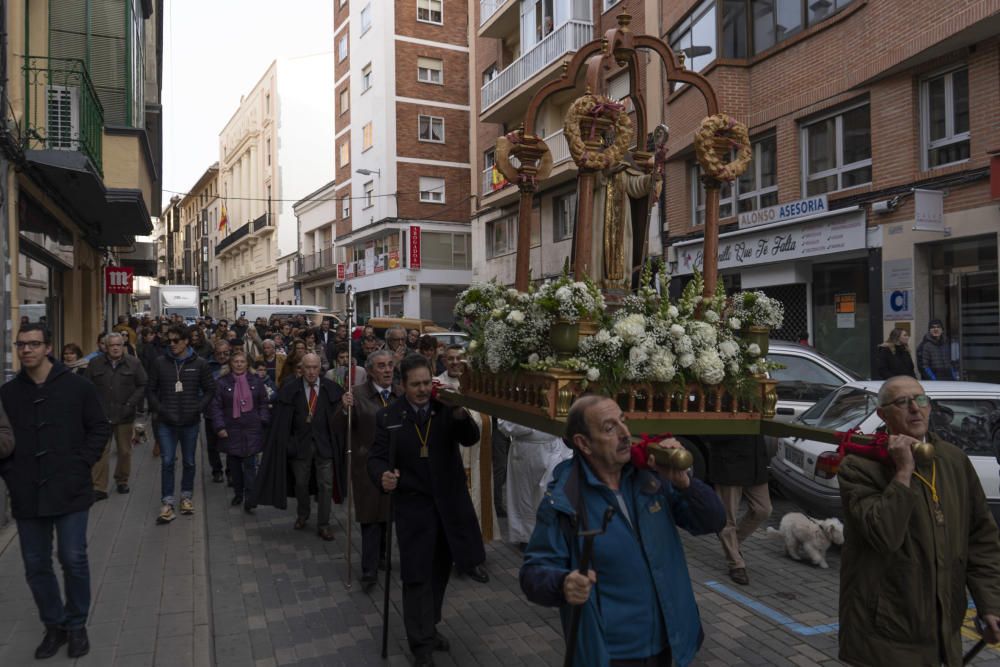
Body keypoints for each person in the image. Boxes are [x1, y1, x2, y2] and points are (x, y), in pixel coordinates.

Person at [520, 395, 726, 667]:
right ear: (584, 443)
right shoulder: (565, 500)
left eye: (623, 421)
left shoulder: (650, 479)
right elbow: (533, 573)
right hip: (614, 655)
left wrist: (684, 482)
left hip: (669, 642)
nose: (625, 433)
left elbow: (712, 520)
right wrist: (562, 583)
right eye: (609, 428)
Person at [838, 375, 1000, 665]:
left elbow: (981, 539)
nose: (915, 408)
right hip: (885, 637)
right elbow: (883, 535)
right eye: (902, 402)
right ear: (882, 415)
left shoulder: (953, 460)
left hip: (942, 633)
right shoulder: (858, 467)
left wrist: (990, 604)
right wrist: (903, 472)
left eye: (921, 399)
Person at [0, 324, 111, 659]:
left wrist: (82, 464)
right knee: (35, 564)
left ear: (48, 347)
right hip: (27, 492)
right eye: (21, 345)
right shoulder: (8, 393)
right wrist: (11, 474)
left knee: (73, 557)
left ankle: (77, 625)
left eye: (33, 344)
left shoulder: (77, 387)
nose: (26, 350)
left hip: (70, 488)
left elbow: (99, 427)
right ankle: (55, 625)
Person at [368, 354, 485, 666]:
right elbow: (376, 458)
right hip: (413, 510)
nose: (422, 389)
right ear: (402, 385)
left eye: (425, 383)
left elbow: (471, 438)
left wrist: (460, 413)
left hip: (449, 507)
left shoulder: (446, 407)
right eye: (415, 384)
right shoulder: (390, 416)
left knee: (439, 573)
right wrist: (383, 476)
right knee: (416, 577)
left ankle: (429, 626)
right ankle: (420, 645)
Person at [258, 353, 346, 540]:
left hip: (325, 446)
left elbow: (340, 419)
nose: (312, 371)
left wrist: (345, 407)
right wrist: (289, 443)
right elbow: (281, 421)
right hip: (300, 447)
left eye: (315, 367)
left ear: (320, 368)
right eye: (308, 367)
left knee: (326, 486)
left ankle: (323, 524)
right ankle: (303, 514)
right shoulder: (291, 389)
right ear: (301, 368)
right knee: (301, 484)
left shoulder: (332, 388)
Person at [335, 349, 396, 591]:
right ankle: (369, 570)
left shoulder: (400, 393)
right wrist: (344, 409)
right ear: (370, 371)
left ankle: (382, 556)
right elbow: (338, 427)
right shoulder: (357, 395)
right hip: (367, 466)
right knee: (371, 518)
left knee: (387, 516)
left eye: (390, 365)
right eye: (381, 366)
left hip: (393, 464)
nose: (388, 370)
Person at [147, 325, 216, 524]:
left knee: (189, 461)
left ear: (186, 341)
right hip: (166, 422)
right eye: (169, 341)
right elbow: (150, 390)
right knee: (167, 461)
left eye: (176, 340)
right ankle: (167, 501)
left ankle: (186, 497)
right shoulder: (160, 363)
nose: (172, 344)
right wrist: (161, 410)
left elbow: (210, 390)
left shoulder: (200, 364)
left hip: (190, 421)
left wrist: (197, 408)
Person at [434, 345, 492, 582]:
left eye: (460, 358)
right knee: (454, 508)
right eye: (450, 359)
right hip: (452, 457)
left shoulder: (477, 384)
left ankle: (473, 556)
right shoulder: (437, 384)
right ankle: (454, 555)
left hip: (478, 456)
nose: (456, 362)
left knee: (475, 505)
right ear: (444, 362)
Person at [84, 332, 148, 499]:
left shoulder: (133, 364)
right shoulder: (95, 363)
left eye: (118, 345)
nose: (115, 348)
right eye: (111, 345)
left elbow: (142, 385)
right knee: (100, 451)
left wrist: (130, 404)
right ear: (105, 347)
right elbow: (86, 387)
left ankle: (122, 481)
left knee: (124, 451)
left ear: (123, 346)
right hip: (101, 416)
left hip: (124, 415)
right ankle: (99, 487)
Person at [208, 351, 270, 513]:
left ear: (247, 364)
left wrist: (262, 419)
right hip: (231, 429)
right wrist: (220, 427)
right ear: (230, 364)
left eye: (242, 361)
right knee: (234, 464)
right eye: (236, 361)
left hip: (252, 428)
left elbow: (263, 402)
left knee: (250, 465)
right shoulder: (221, 383)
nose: (239, 364)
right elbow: (216, 407)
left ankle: (251, 498)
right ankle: (238, 492)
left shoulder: (256, 381)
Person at [707, 435, 772, 585]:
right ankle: (736, 564)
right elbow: (708, 434)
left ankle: (733, 545)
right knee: (727, 518)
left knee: (763, 509)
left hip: (755, 463)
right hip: (729, 463)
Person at [498, 420, 571, 546]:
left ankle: (551, 535)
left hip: (554, 448)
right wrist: (533, 421)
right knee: (525, 498)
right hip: (526, 452)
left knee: (551, 496)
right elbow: (504, 424)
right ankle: (527, 537)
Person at [205, 339, 232, 484]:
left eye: (225, 353)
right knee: (212, 444)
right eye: (219, 353)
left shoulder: (235, 364)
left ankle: (231, 471)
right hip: (211, 411)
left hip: (230, 412)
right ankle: (217, 470)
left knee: (231, 442)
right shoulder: (207, 365)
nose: (222, 356)